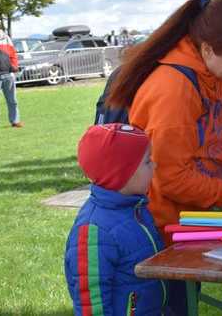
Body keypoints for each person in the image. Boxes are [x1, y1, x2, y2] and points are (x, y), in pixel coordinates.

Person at [106, 0, 222, 315]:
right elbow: (171, 178)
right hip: (160, 230)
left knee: (186, 302)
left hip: (187, 221)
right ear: (207, 49)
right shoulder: (174, 89)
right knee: (171, 306)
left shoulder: (219, 75)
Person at [64, 123, 167, 315]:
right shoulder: (94, 230)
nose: (154, 164)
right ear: (123, 173)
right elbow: (91, 303)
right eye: (147, 161)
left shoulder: (135, 209)